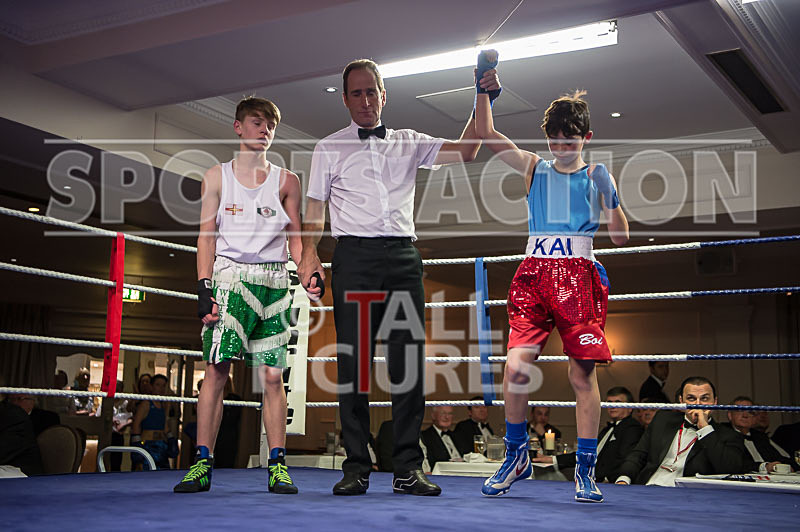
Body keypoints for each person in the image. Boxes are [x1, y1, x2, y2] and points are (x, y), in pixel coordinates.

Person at [298, 58, 480, 496]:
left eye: (371, 91)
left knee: (408, 366)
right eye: (356, 93)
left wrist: (482, 95)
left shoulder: (410, 142)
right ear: (345, 99)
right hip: (353, 258)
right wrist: (307, 255)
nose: (365, 99)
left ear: (384, 95)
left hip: (402, 257)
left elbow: (468, 149)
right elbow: (315, 211)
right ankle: (357, 466)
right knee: (354, 365)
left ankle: (406, 468)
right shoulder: (328, 148)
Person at [474, 50, 629, 502]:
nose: (563, 147)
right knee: (516, 367)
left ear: (586, 137)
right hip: (534, 274)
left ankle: (585, 470)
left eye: (571, 139)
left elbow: (619, 239)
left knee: (582, 377)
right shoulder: (532, 169)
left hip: (578, 277)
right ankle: (516, 454)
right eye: (556, 139)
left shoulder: (596, 176)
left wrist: (611, 197)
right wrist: (482, 87)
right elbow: (485, 132)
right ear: (548, 139)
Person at [173, 96, 307, 494]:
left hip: (274, 280)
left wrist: (308, 271)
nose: (263, 129)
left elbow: (296, 241)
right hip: (229, 277)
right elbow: (205, 237)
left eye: (270, 124)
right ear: (238, 127)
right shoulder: (216, 176)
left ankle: (277, 464)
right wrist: (202, 286)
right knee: (216, 369)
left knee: (272, 375)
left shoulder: (287, 181)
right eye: (255, 121)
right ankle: (201, 463)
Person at [615, 376, 751, 486]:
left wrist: (705, 428)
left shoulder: (729, 435)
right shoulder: (663, 419)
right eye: (691, 398)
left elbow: (729, 469)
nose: (697, 404)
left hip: (688, 498)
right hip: (648, 487)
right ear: (681, 401)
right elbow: (639, 454)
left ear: (714, 402)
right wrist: (624, 478)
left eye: (704, 398)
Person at [533, 387, 643, 483]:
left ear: (630, 408)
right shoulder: (607, 429)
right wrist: (552, 459)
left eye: (617, 402)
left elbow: (624, 459)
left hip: (603, 480)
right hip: (588, 475)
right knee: (545, 473)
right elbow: (586, 453)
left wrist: (609, 479)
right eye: (609, 402)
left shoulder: (632, 428)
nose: (612, 406)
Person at [722, 396, 792, 473]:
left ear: (755, 418)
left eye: (750, 412)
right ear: (730, 415)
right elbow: (734, 463)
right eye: (740, 410)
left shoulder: (760, 437)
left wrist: (788, 466)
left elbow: (779, 457)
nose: (745, 415)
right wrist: (764, 467)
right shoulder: (723, 435)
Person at [131, 374, 175, 470]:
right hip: (148, 445)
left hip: (161, 446)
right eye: (158, 385)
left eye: (163, 385)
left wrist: (171, 439)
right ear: (151, 386)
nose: (161, 388)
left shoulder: (164, 405)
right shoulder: (146, 404)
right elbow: (136, 425)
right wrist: (137, 447)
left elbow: (165, 426)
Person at [420, 406, 463, 470]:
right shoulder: (425, 437)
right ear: (433, 416)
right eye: (443, 413)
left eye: (449, 414)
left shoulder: (457, 435)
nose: (447, 417)